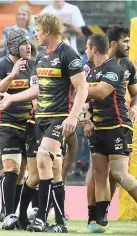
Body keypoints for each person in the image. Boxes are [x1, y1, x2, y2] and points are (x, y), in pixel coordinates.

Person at [0, 13, 88, 233]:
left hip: (59, 116)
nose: (34, 33)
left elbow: (82, 87)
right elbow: (38, 89)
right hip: (41, 119)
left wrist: (73, 116)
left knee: (45, 159)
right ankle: (39, 219)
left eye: (36, 29)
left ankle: (40, 219)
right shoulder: (42, 57)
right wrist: (11, 98)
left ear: (46, 30)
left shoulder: (68, 53)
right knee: (44, 170)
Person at [78, 34, 137, 233]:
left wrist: (77, 87)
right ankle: (101, 223)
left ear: (94, 48)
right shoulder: (91, 72)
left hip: (117, 125)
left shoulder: (113, 68)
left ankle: (99, 220)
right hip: (98, 128)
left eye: (87, 48)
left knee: (120, 175)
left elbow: (101, 92)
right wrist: (86, 118)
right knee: (100, 175)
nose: (85, 52)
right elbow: (89, 102)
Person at [0, 29, 36, 230]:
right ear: (14, 46)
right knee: (11, 168)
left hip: (29, 124)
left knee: (24, 172)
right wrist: (13, 74)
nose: (29, 47)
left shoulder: (33, 66)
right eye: (24, 43)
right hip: (7, 123)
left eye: (29, 43)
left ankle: (18, 214)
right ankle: (8, 214)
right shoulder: (1, 66)